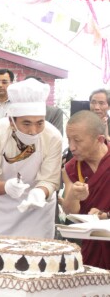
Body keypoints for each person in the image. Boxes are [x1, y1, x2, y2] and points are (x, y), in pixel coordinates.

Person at [0, 78, 62, 239]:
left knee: (38, 257)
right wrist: (7, 187)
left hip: (38, 210)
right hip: (0, 208)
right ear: (11, 121)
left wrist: (39, 192)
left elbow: (49, 180)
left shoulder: (53, 136)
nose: (33, 130)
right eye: (26, 123)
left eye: (39, 123)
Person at [62, 110, 110, 269]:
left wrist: (105, 215)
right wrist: (74, 195)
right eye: (69, 140)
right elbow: (70, 211)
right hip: (92, 244)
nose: (72, 147)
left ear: (100, 139)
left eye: (77, 140)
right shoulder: (71, 168)